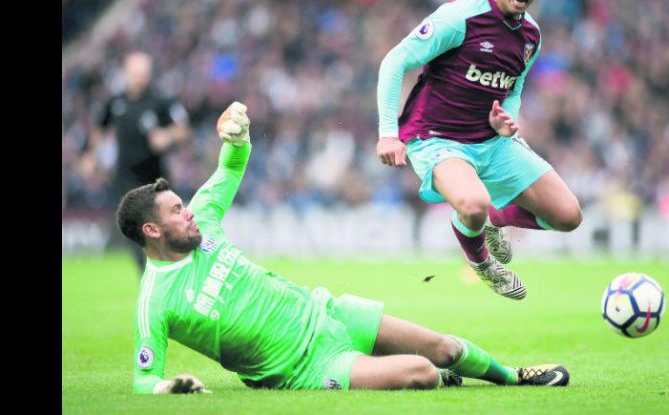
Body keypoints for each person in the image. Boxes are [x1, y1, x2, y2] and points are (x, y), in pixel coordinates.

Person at [118, 102, 570, 393]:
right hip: (306, 368)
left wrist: (236, 137)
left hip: (329, 312)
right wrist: (169, 388)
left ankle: (513, 376)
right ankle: (404, 373)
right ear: (152, 232)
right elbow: (143, 378)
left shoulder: (205, 219)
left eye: (183, 205)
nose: (189, 212)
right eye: (176, 211)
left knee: (444, 348)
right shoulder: (155, 300)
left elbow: (230, 168)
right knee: (424, 373)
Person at [375, 0, 582, 299]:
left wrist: (506, 121)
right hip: (436, 138)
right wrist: (388, 133)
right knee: (472, 204)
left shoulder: (531, 35)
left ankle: (493, 222)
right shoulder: (460, 16)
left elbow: (513, 89)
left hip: (490, 142)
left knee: (568, 216)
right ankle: (482, 262)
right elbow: (395, 61)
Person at [91, 51, 191, 273]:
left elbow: (183, 130)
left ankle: (172, 273)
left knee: (165, 233)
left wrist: (167, 136)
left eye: (144, 72)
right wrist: (92, 155)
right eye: (136, 72)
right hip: (125, 179)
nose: (140, 77)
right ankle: (150, 276)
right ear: (126, 73)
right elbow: (99, 128)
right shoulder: (115, 102)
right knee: (137, 234)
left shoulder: (161, 101)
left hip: (156, 181)